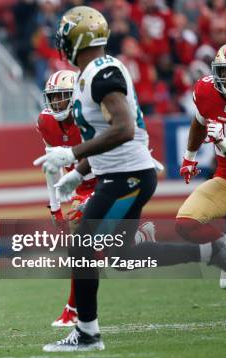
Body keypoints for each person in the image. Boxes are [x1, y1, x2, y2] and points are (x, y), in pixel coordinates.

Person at [34, 6, 226, 352]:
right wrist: (79, 172)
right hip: (119, 173)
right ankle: (213, 250)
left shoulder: (102, 74)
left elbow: (123, 128)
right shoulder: (94, 73)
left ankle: (87, 333)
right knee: (123, 254)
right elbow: (111, 134)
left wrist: (72, 155)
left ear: (79, 38)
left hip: (126, 177)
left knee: (82, 246)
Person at [36, 69, 156, 328]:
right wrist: (55, 205)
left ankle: (74, 309)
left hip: (106, 176)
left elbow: (119, 137)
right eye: (53, 98)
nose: (57, 104)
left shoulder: (89, 114)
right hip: (79, 185)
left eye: (62, 97)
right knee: (117, 259)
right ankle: (139, 237)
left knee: (80, 235)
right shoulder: (45, 121)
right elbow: (50, 166)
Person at [176, 40, 226, 290]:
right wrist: (189, 156)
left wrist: (222, 142)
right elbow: (199, 121)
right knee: (185, 224)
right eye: (224, 71)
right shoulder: (206, 90)